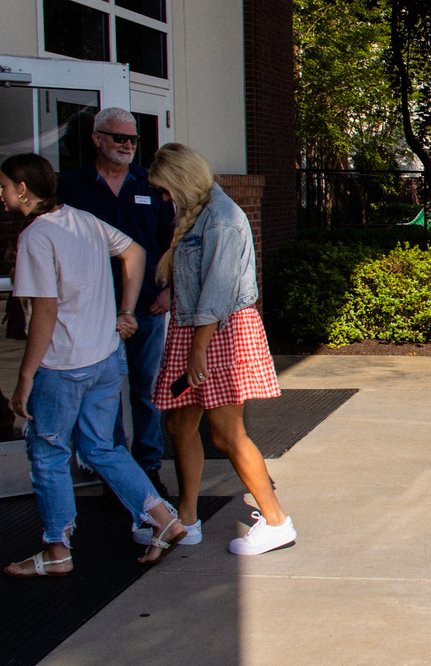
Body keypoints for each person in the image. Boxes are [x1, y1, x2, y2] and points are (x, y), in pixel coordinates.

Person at [0, 153, 185, 576]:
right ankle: (163, 519)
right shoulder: (82, 220)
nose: (1, 193)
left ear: (24, 189)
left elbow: (44, 313)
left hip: (63, 366)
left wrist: (25, 377)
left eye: (5, 186)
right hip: (104, 359)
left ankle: (56, 551)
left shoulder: (37, 236)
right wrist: (125, 311)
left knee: (47, 453)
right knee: (102, 447)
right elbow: (135, 252)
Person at [142, 143, 296, 556]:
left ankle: (277, 521)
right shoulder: (197, 215)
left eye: (164, 188)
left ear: (181, 180)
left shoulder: (223, 217)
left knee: (227, 434)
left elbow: (217, 291)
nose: (162, 197)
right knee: (178, 425)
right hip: (196, 329)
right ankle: (187, 519)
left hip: (218, 333)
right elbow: (196, 282)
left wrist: (197, 352)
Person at [58, 107, 175, 498]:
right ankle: (116, 474)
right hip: (92, 311)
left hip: (147, 307)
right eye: (119, 138)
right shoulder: (72, 187)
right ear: (96, 138)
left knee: (146, 390)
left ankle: (149, 468)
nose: (127, 146)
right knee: (103, 396)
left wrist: (169, 289)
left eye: (133, 140)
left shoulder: (150, 185)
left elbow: (172, 242)